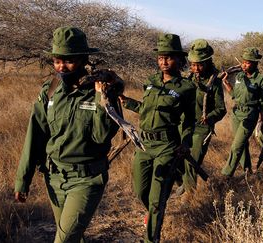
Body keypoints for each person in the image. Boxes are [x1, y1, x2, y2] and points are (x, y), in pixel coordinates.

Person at [14, 26, 121, 242]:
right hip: (54, 177)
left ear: (83, 60)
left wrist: (103, 100)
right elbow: (35, 135)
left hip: (86, 180)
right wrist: (22, 180)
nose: (62, 67)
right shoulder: (50, 90)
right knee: (72, 236)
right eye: (57, 60)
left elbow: (101, 137)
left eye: (69, 60)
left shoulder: (101, 92)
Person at [119, 33, 195, 243]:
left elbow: (189, 120)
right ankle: (155, 212)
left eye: (169, 57)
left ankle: (151, 237)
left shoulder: (186, 88)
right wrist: (128, 102)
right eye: (161, 57)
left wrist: (186, 143)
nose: (163, 62)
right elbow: (147, 109)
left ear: (180, 60)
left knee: (155, 199)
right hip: (144, 144)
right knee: (140, 190)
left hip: (167, 146)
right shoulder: (151, 82)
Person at [178, 39, 226, 193]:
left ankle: (190, 196)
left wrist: (209, 118)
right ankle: (183, 184)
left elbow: (221, 109)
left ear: (207, 62)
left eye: (199, 65)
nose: (196, 68)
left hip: (202, 128)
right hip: (184, 125)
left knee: (193, 160)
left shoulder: (214, 82)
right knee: (178, 158)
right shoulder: (188, 78)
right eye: (192, 64)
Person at [221, 47, 263, 177]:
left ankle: (225, 175)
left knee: (236, 146)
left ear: (255, 63)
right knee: (242, 144)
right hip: (236, 113)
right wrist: (226, 83)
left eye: (247, 62)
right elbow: (235, 95)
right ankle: (247, 170)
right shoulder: (239, 76)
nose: (244, 65)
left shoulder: (262, 79)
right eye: (243, 62)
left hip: (250, 115)